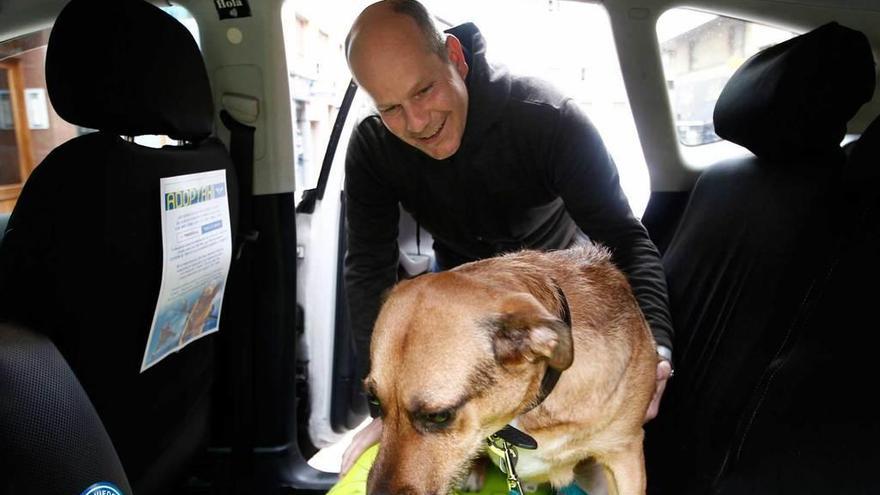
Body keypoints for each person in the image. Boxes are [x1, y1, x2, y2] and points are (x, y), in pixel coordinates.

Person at [341, 0, 674, 475]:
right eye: (391, 108)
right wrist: (389, 412)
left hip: (553, 305)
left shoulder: (548, 117)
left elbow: (625, 240)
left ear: (455, 57)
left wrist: (657, 352)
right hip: (454, 309)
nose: (416, 123)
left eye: (425, 90)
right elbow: (367, 268)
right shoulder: (374, 147)